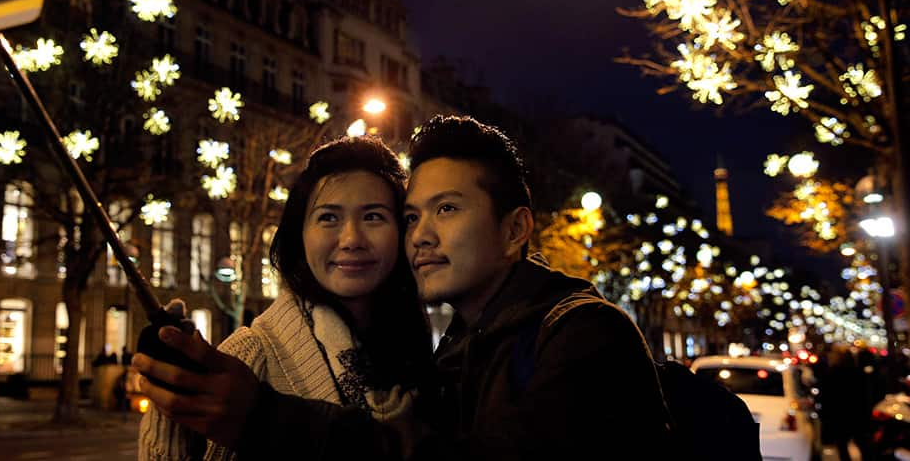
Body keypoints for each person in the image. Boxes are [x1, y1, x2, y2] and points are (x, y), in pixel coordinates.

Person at [134, 115, 672, 459]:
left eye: (446, 209)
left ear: (515, 230)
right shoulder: (462, 349)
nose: (422, 235)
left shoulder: (582, 336)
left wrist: (265, 418)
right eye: (413, 215)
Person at [137, 135, 433, 460]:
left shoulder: (419, 348)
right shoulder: (250, 356)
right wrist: (169, 413)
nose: (351, 239)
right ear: (300, 235)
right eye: (328, 217)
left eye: (373, 216)